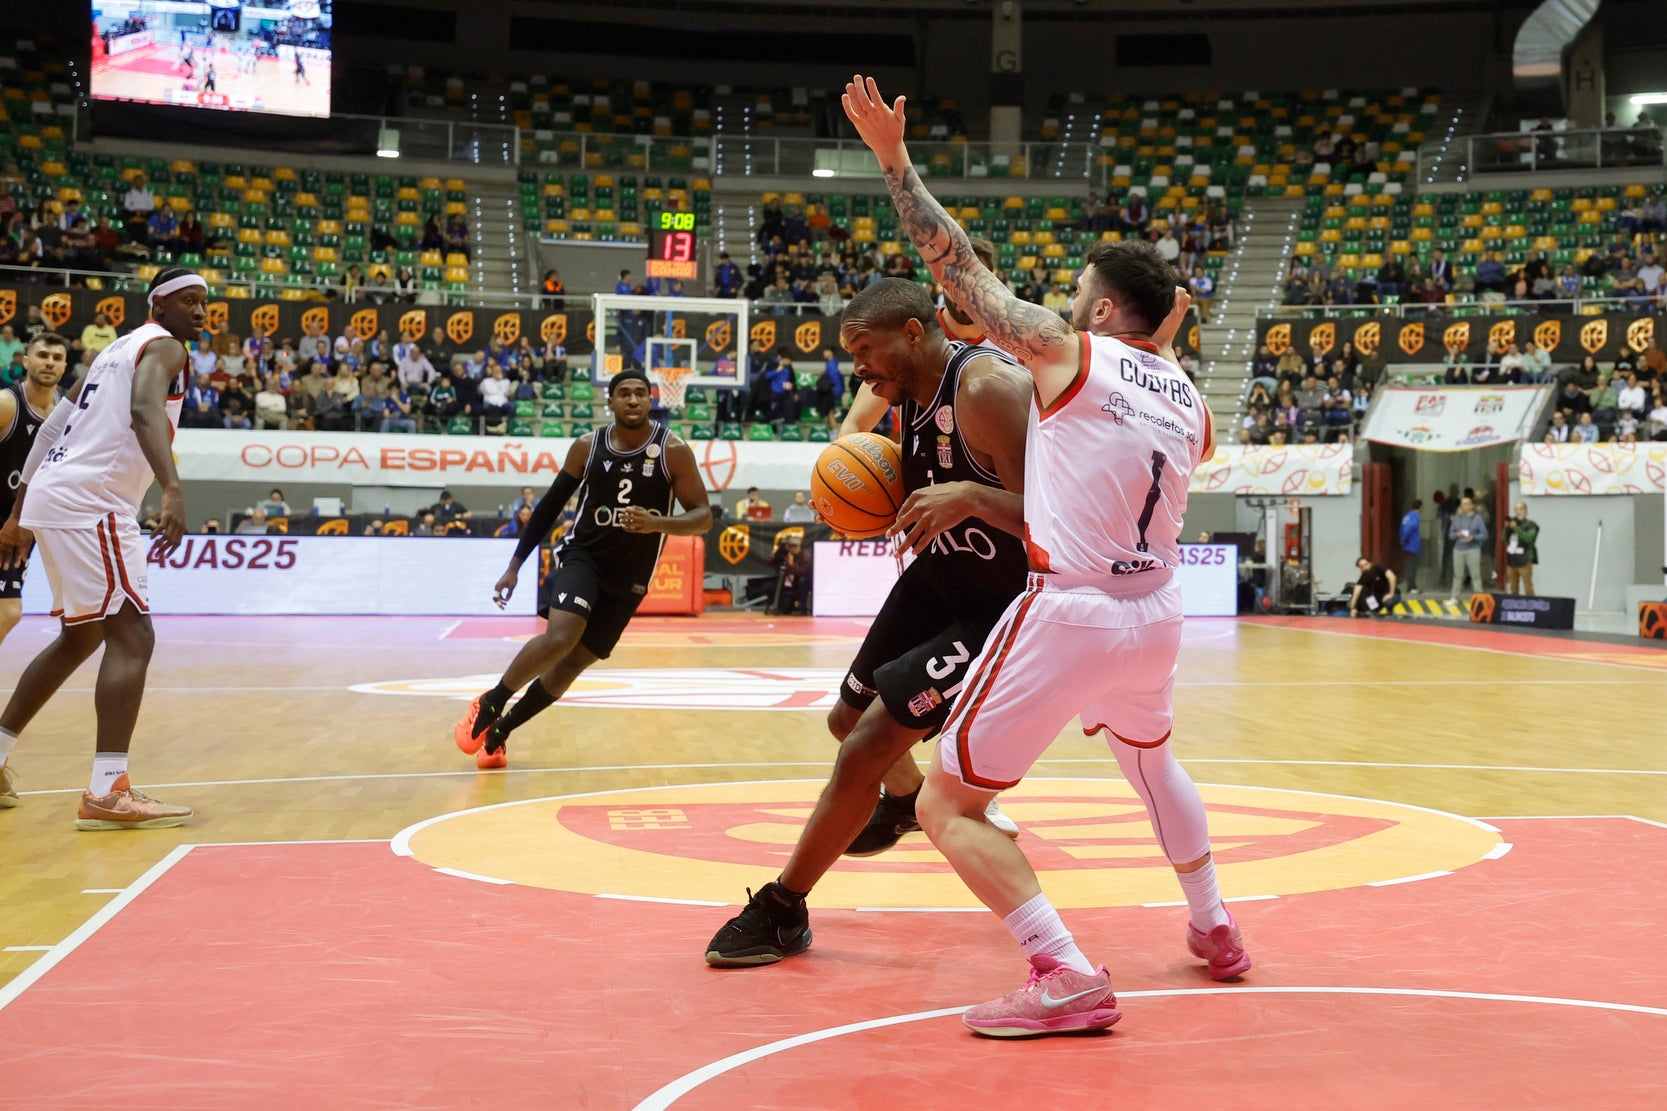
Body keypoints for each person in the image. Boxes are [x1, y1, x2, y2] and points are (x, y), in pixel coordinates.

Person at [836, 75, 1246, 1036]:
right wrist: (1167, 347)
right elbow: (1169, 404)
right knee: (1152, 767)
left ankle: (1061, 969)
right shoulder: (1192, 406)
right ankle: (1215, 923)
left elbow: (957, 264)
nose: (1063, 307)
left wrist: (895, 162)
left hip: (1072, 611)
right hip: (1158, 615)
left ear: (1101, 314)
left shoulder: (1070, 354)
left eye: (1076, 298)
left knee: (948, 805)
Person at [703, 277, 1031, 968]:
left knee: (865, 746)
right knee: (845, 720)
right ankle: (905, 802)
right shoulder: (901, 391)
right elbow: (855, 436)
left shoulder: (987, 389)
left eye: (864, 349)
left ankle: (782, 907)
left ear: (913, 334)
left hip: (997, 605)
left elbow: (1063, 516)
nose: (858, 367)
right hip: (937, 579)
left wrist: (970, 494)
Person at [0, 267, 200, 828]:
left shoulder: (112, 351)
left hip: (56, 496)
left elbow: (49, 431)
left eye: (205, 302)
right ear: (158, 306)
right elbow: (143, 411)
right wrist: (173, 488)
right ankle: (108, 791)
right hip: (94, 501)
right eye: (189, 300)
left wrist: (20, 512)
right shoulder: (165, 348)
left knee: (82, 635)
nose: (202, 310)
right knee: (133, 633)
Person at [451, 370, 713, 767]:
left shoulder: (673, 450)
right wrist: (515, 565)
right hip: (583, 556)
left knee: (573, 664)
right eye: (623, 393)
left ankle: (502, 732)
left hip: (631, 576)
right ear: (609, 402)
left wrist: (657, 523)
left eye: (640, 394)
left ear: (650, 401)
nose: (632, 400)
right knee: (562, 637)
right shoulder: (587, 447)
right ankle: (489, 703)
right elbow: (548, 508)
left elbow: (704, 517)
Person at [0, 333, 67, 660]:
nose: (49, 362)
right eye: (42, 355)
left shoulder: (71, 413)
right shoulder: (7, 404)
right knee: (8, 611)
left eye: (56, 358)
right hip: (6, 521)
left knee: (8, 611)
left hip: (30, 523)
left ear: (65, 366)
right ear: (26, 361)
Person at [1447, 494, 1489, 601]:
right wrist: (1457, 535)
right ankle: (1454, 597)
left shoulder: (1478, 519)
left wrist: (1473, 537)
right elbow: (1450, 535)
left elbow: (1484, 534)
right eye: (1462, 504)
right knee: (1458, 575)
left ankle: (1479, 598)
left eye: (1466, 504)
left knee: (1475, 574)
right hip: (1458, 549)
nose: (1463, 506)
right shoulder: (1456, 518)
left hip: (1473, 549)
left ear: (1471, 506)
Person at [770, 534, 813, 615]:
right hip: (787, 581)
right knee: (769, 586)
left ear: (796, 547)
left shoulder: (805, 556)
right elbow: (772, 563)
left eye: (790, 546)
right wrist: (774, 555)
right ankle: (776, 606)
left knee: (802, 580)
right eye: (787, 546)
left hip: (800, 581)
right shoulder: (786, 553)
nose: (787, 548)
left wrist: (791, 563)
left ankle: (802, 608)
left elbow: (801, 572)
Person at [1503, 502, 1539, 596]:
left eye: (1521, 508)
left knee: (1528, 585)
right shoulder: (1512, 524)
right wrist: (1507, 528)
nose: (1518, 511)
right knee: (1513, 585)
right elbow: (1504, 539)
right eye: (1516, 509)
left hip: (1525, 557)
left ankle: (1531, 604)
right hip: (1512, 557)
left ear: (1526, 510)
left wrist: (1516, 528)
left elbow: (1528, 538)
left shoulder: (1531, 525)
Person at [1399, 499, 1423, 593]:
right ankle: (1411, 587)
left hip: (1407, 545)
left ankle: (1412, 586)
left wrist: (1402, 539)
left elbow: (1402, 528)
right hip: (1413, 544)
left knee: (1409, 565)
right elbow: (1410, 528)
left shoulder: (1407, 516)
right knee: (1412, 567)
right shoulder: (1415, 516)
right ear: (1420, 507)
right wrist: (1405, 538)